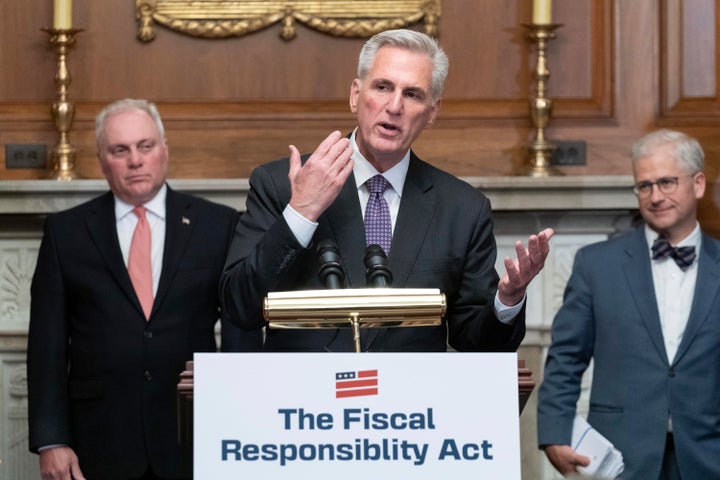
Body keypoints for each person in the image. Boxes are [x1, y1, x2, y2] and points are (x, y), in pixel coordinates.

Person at [220, 29, 553, 352]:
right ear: (355, 95)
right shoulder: (280, 183)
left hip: (411, 405)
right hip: (305, 402)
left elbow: (476, 343)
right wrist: (301, 212)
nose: (395, 106)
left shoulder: (462, 209)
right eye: (382, 87)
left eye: (412, 94)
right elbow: (240, 307)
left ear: (432, 112)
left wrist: (507, 299)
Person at [27, 98, 261, 480]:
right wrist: (52, 440)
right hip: (98, 442)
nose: (135, 160)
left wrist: (236, 398)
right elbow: (46, 346)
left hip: (192, 434)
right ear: (103, 159)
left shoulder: (216, 225)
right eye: (120, 150)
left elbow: (243, 323)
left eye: (145, 146)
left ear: (164, 150)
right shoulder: (65, 233)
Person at [537, 129, 720, 479]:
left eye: (667, 182)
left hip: (709, 456)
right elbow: (565, 359)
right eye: (644, 186)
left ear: (698, 184)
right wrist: (554, 434)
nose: (655, 196)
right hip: (620, 458)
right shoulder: (596, 265)